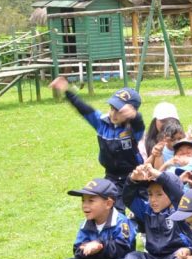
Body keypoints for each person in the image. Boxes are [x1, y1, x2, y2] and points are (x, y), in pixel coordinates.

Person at [41, 178, 136, 259]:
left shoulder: (121, 222)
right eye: (83, 201)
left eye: (91, 201)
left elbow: (123, 248)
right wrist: (85, 251)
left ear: (108, 203)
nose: (85, 205)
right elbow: (77, 249)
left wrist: (100, 246)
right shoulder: (86, 224)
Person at [48, 78, 145, 208]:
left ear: (130, 113)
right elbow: (84, 108)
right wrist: (67, 90)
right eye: (112, 108)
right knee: (111, 207)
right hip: (112, 176)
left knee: (142, 207)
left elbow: (139, 125)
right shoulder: (101, 123)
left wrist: (135, 116)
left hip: (134, 175)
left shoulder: (133, 129)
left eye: (119, 111)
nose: (113, 114)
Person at [101, 165, 188, 259]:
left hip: (175, 258)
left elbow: (177, 193)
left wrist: (159, 175)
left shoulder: (180, 211)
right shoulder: (147, 211)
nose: (153, 199)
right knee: (135, 257)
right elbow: (128, 199)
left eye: (159, 194)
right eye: (150, 194)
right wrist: (132, 179)